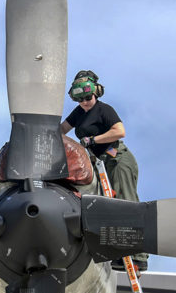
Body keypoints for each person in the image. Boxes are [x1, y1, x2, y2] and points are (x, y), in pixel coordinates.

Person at [60, 70, 147, 271]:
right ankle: (120, 252)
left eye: (88, 97)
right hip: (99, 164)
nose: (84, 102)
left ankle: (139, 257)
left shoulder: (104, 109)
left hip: (117, 159)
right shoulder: (79, 113)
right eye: (80, 99)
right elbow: (62, 129)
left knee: (126, 202)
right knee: (106, 206)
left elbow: (119, 131)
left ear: (96, 93)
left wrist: (93, 140)